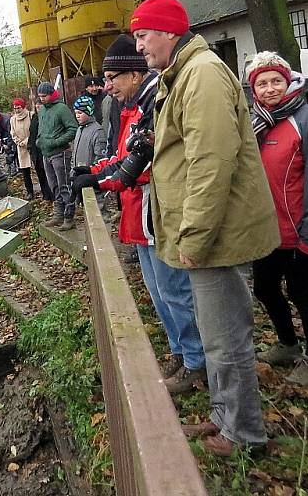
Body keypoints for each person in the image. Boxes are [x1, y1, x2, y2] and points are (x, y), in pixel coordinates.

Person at [131, 0, 280, 456]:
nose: (138, 46)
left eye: (143, 35)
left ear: (169, 31)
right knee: (217, 335)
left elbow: (211, 163)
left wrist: (193, 236)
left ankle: (244, 434)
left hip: (216, 234)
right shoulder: (181, 75)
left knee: (225, 338)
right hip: (206, 232)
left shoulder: (202, 75)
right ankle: (224, 415)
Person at [72, 34, 207, 395]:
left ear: (133, 74)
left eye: (113, 77)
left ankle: (195, 361)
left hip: (153, 210)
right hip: (137, 212)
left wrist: (103, 182)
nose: (108, 86)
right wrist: (95, 171)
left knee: (173, 290)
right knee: (158, 291)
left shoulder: (150, 106)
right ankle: (180, 352)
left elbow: (144, 165)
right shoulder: (131, 108)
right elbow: (123, 157)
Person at [246, 51, 308, 387]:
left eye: (275, 81)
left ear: (289, 82)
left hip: (299, 231)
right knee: (265, 289)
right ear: (253, 89)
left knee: (302, 291)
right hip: (266, 231)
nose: (270, 89)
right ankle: (288, 343)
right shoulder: (254, 123)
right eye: (262, 83)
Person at [36, 81, 78, 227]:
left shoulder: (62, 109)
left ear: (51, 94)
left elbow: (73, 129)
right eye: (40, 96)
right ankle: (58, 214)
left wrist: (56, 142)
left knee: (64, 185)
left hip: (60, 154)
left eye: (44, 96)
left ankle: (69, 217)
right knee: (53, 185)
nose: (42, 99)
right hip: (46, 154)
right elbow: (41, 128)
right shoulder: (42, 111)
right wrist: (39, 140)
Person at [69, 94, 107, 223]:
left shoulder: (98, 131)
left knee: (97, 210)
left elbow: (101, 156)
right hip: (79, 177)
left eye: (80, 112)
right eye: (76, 113)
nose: (77, 115)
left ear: (89, 111)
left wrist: (92, 171)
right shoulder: (79, 129)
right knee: (87, 210)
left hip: (92, 178)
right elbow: (74, 152)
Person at [28, 95, 53, 201]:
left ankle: (53, 195)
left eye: (40, 107)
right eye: (37, 107)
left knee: (48, 174)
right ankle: (45, 195)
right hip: (35, 150)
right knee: (40, 174)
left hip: (45, 149)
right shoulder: (34, 118)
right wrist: (30, 146)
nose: (38, 109)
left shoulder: (48, 117)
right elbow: (32, 133)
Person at [10, 98, 35, 199]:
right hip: (21, 148)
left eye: (18, 108)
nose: (17, 110)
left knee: (39, 169)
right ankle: (30, 191)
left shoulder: (31, 115)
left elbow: (34, 131)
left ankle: (46, 191)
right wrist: (18, 142)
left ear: (23, 107)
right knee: (25, 171)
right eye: (15, 108)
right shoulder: (13, 119)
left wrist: (26, 141)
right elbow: (12, 133)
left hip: (33, 145)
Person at [0, 107, 17, 176]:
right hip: (3, 135)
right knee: (7, 153)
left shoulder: (7, 120)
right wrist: (1, 144)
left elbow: (11, 133)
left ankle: (15, 168)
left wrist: (8, 145)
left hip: (11, 136)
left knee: (12, 152)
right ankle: (9, 168)